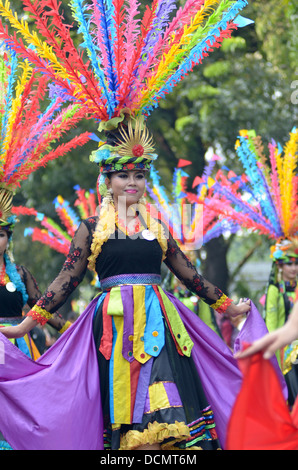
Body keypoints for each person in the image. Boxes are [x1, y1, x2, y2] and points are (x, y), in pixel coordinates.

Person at [261, 239, 298, 404]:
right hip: (285, 352)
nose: (294, 268)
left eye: (297, 263)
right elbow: (271, 324)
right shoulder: (274, 290)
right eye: (289, 264)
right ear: (280, 266)